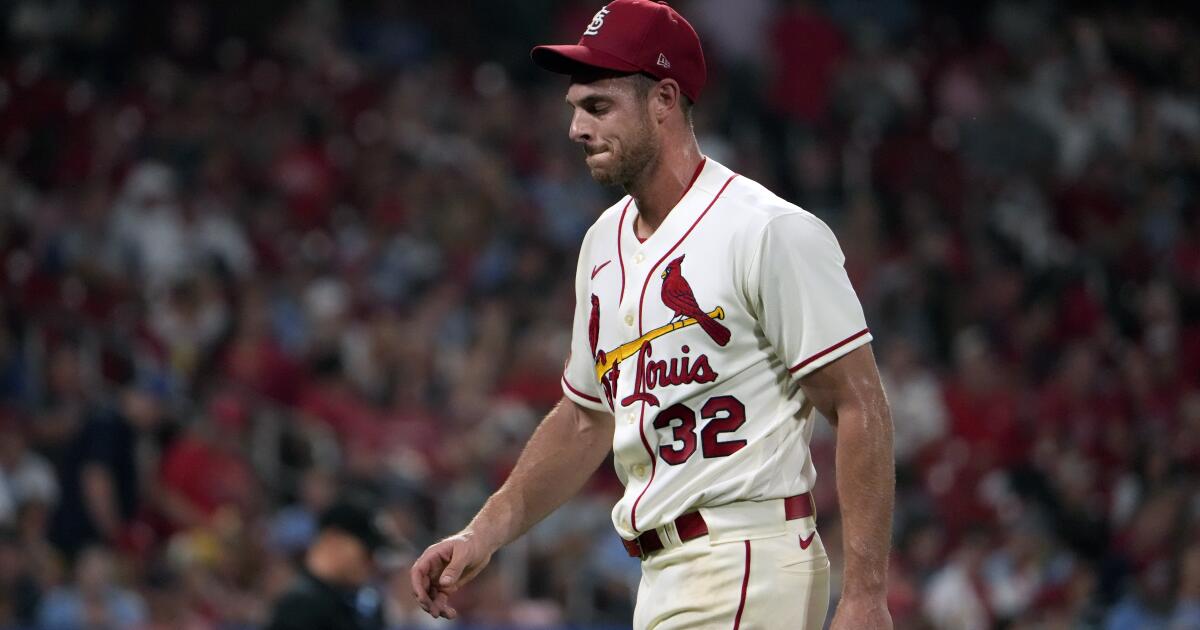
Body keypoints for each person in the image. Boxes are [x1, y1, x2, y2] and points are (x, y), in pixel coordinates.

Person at [410, 1, 895, 628]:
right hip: (661, 574)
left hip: (748, 554)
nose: (577, 129)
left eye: (598, 106)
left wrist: (865, 594)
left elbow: (859, 402)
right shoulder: (600, 245)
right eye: (575, 108)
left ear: (664, 99)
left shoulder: (768, 230)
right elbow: (585, 420)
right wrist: (483, 534)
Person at [266, 500, 389, 630]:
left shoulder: (347, 604)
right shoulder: (300, 608)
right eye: (367, 551)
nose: (373, 561)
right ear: (333, 539)